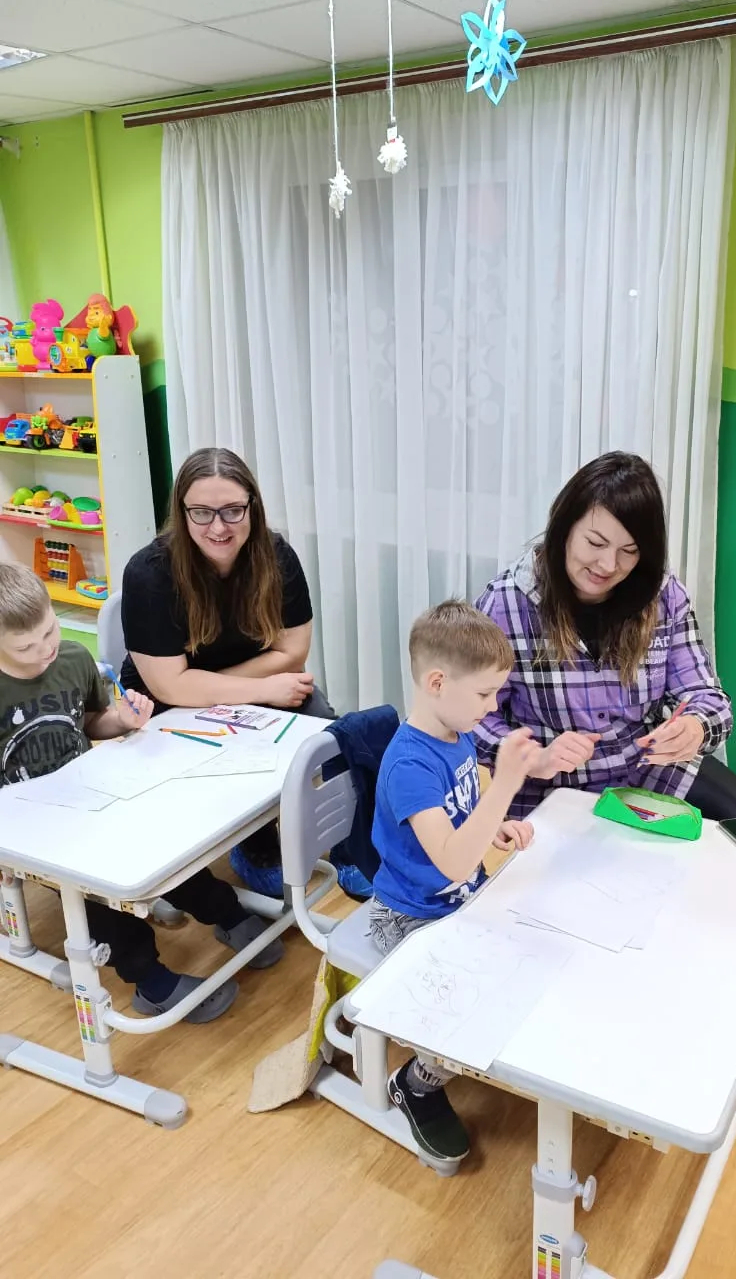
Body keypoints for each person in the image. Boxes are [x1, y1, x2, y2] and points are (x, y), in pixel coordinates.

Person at [0, 564, 282, 1023]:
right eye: (25, 647)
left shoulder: (71, 659)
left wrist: (122, 721)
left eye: (49, 630)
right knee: (93, 897)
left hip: (91, 795)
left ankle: (226, 914)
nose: (44, 649)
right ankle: (151, 982)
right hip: (32, 830)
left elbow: (89, 723)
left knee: (164, 847)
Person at [474, 451, 736, 832]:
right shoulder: (507, 603)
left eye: (629, 551)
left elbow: (709, 697)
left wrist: (695, 728)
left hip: (648, 770)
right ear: (564, 528)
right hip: (553, 786)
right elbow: (467, 718)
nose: (608, 565)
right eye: (595, 543)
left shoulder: (663, 596)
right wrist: (535, 758)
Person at [118, 447, 345, 898]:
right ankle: (255, 844)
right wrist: (261, 687)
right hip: (165, 706)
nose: (218, 527)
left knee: (326, 729)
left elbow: (294, 651)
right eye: (201, 512)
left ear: (252, 507)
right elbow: (169, 686)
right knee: (236, 754)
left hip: (233, 685)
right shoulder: (149, 574)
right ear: (182, 512)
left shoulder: (276, 557)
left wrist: (229, 685)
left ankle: (344, 842)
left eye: (232, 510)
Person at [369, 601, 539, 1167]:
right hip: (408, 915)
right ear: (438, 683)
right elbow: (453, 864)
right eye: (485, 694)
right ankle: (416, 1084)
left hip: (457, 903)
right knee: (468, 1010)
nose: (493, 707)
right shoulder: (410, 765)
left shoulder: (455, 732)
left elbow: (461, 818)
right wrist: (506, 786)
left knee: (528, 967)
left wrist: (496, 824)